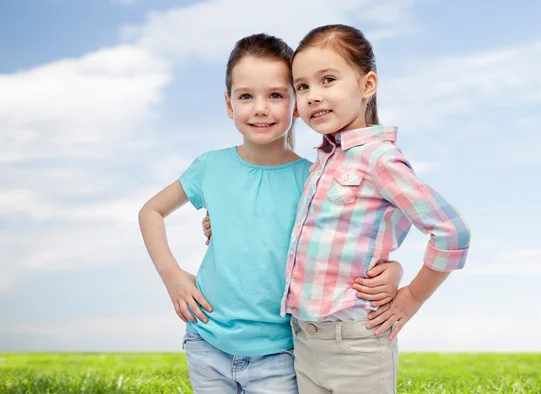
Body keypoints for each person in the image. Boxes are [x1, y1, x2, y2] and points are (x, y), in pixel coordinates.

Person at [138, 32, 402, 394]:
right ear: (229, 105)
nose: (260, 108)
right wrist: (172, 276)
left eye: (276, 95)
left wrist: (393, 268)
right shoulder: (209, 167)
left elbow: (354, 239)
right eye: (246, 96)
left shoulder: (314, 178)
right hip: (205, 343)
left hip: (282, 354)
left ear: (296, 104)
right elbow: (151, 211)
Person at [280, 24, 472, 394]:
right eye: (302, 86)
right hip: (305, 340)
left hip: (357, 344)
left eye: (328, 79)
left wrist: (412, 295)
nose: (313, 96)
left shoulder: (379, 159)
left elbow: (452, 231)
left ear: (367, 85)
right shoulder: (322, 163)